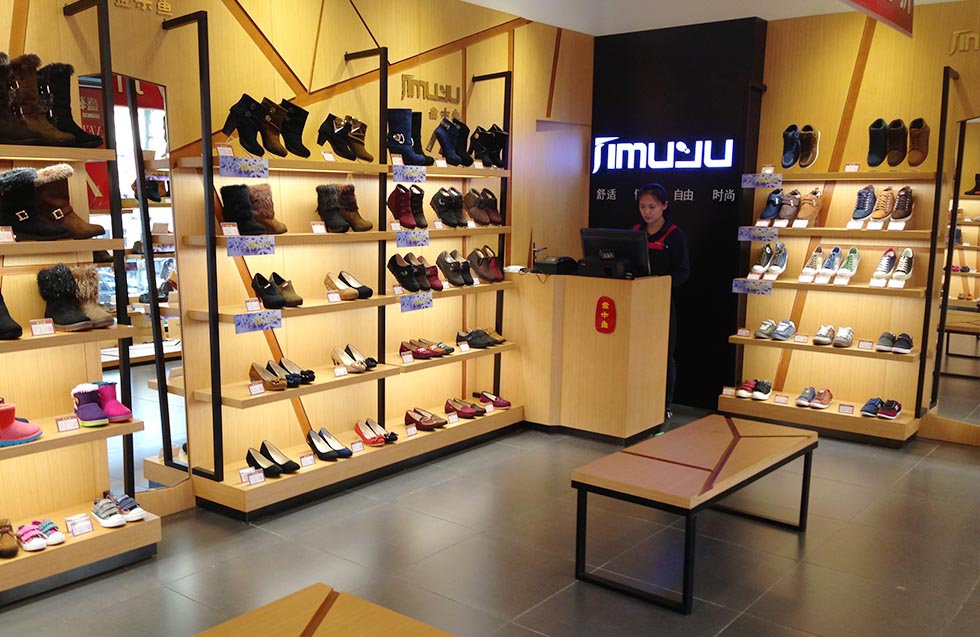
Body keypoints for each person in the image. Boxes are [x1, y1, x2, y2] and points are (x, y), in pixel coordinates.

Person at [633, 183, 690, 420]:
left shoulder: (674, 235)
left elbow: (683, 271)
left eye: (652, 207)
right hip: (634, 302)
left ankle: (663, 405)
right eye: (642, 207)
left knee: (664, 355)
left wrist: (661, 284)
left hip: (661, 304)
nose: (646, 212)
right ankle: (636, 401)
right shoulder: (635, 231)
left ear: (664, 206)